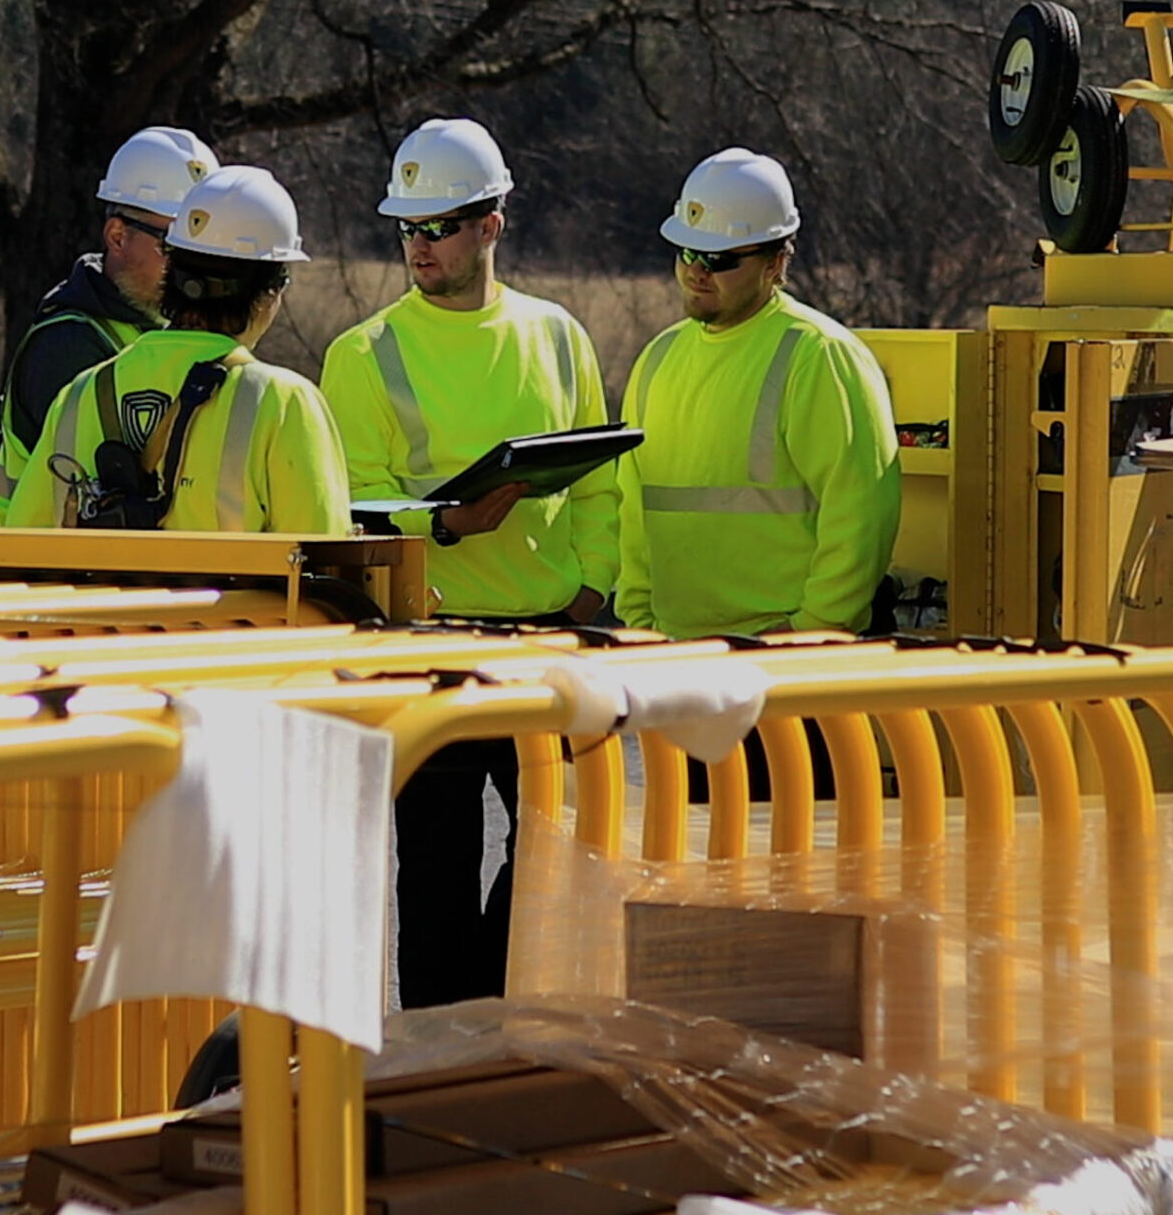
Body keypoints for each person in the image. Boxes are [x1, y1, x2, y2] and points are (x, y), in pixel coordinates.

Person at [319, 117, 618, 1007]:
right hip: (431, 648)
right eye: (407, 228)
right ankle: (439, 1063)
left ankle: (502, 1037)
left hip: (548, 643)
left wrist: (593, 590)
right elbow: (352, 503)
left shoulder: (561, 336)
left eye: (437, 226)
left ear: (492, 222)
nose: (418, 246)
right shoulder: (362, 354)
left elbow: (598, 483)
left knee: (550, 866)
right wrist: (445, 522)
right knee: (437, 880)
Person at [616, 147, 901, 639]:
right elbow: (633, 511)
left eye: (719, 259)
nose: (696, 271)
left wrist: (814, 632)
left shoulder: (819, 356)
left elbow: (861, 514)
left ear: (776, 262)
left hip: (784, 658)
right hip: (671, 657)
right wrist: (640, 625)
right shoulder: (656, 358)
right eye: (686, 252)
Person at [5, 165, 348, 534]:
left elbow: (24, 543)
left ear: (172, 270)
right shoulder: (284, 404)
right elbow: (322, 566)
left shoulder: (78, 397)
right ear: (269, 292)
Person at [0, 127, 220, 523]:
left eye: (197, 250)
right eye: (171, 246)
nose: (185, 267)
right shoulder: (69, 344)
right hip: (39, 566)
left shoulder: (162, 331)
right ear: (117, 236)